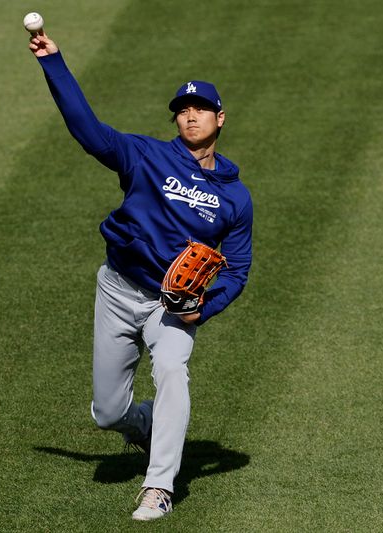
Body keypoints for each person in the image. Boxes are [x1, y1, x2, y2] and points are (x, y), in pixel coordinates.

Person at [28, 30, 253, 521]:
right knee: (107, 413)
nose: (190, 115)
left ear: (220, 118)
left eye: (200, 108)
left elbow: (237, 270)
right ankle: (143, 422)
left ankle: (159, 486)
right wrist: (54, 64)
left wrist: (202, 306)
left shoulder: (236, 199)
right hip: (117, 289)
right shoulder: (144, 156)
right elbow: (88, 129)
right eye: (182, 108)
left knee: (173, 369)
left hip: (170, 306)